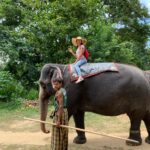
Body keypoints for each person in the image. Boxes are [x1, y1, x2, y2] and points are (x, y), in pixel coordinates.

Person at [50, 77, 68, 150]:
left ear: (61, 84)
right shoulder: (63, 90)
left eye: (56, 84)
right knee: (63, 132)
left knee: (58, 132)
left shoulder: (59, 93)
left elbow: (60, 106)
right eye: (54, 84)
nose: (54, 86)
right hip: (64, 112)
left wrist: (58, 120)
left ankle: (57, 148)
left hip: (60, 114)